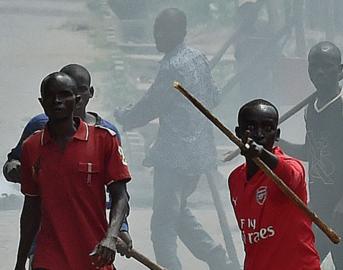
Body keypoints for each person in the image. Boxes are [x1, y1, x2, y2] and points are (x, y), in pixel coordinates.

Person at [114, 8, 231, 270]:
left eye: (164, 30)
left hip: (174, 156)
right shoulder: (198, 57)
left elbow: (150, 106)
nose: (158, 35)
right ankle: (215, 256)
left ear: (181, 32)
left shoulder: (171, 66)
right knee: (176, 214)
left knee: (162, 226)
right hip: (199, 154)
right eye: (157, 29)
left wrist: (125, 115)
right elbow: (215, 96)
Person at [3, 64, 132, 262]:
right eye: (52, 96)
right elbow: (31, 204)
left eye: (67, 94)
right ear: (42, 102)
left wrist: (117, 232)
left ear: (84, 96)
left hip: (92, 248)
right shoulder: (35, 136)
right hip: (46, 248)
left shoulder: (106, 136)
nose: (58, 101)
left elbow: (119, 192)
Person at [279, 41, 343, 269]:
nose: (320, 71)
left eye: (327, 65)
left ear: (340, 68)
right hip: (318, 210)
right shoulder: (311, 108)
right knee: (302, 264)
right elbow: (311, 151)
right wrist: (279, 143)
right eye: (314, 66)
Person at [229, 99, 320, 270]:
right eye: (250, 127)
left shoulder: (291, 167)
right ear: (238, 133)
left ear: (277, 135)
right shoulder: (235, 179)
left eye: (267, 128)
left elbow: (290, 174)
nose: (259, 134)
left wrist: (261, 153)